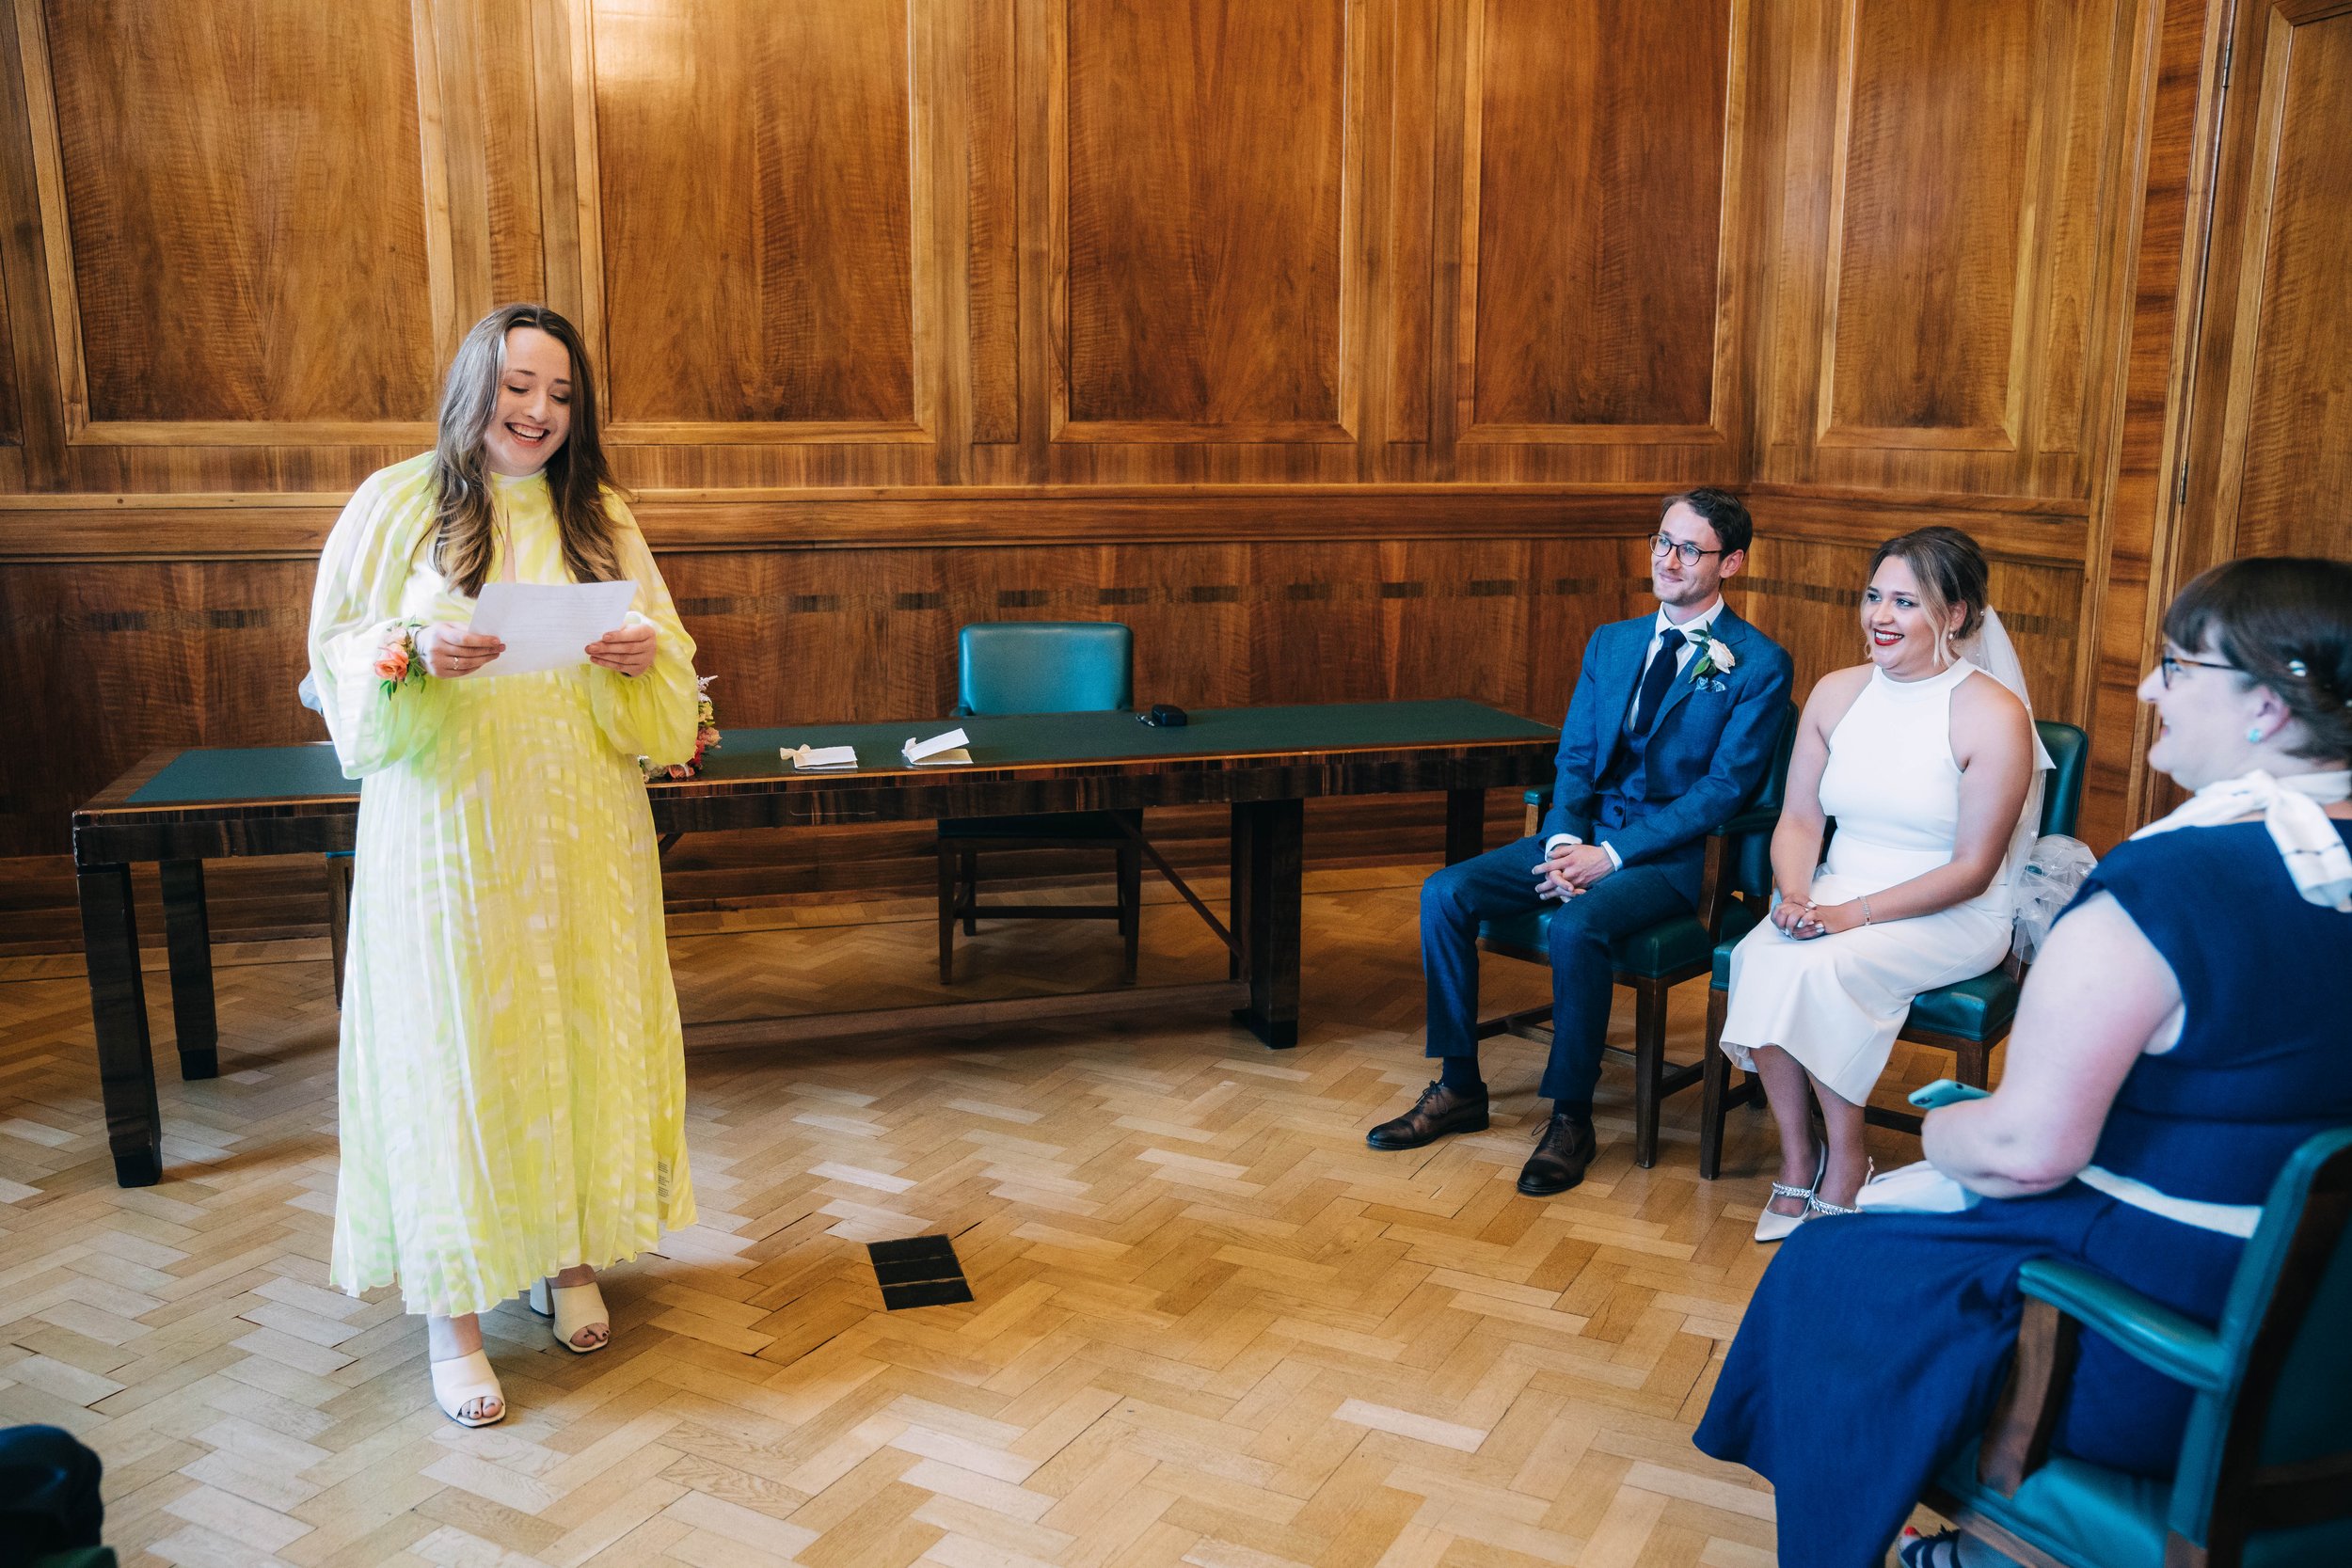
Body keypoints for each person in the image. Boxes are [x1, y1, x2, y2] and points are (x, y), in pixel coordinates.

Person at [1692, 556, 2352, 1568]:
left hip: (2180, 1349)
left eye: (2173, 665)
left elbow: (2025, 1150)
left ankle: (1921, 1544)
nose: (2145, 688)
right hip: (2326, 1342)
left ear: (2264, 703)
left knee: (1825, 1271)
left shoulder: (2161, 890)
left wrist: (1951, 1119)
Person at [308, 304, 703, 1427]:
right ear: (474, 384)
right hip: (449, 828)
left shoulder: (603, 516)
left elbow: (668, 681)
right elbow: (337, 659)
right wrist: (413, 651)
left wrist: (639, 653)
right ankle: (456, 1309)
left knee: (577, 1026)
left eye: (562, 395)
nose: (538, 412)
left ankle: (565, 1254)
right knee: (463, 1043)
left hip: (584, 824)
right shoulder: (396, 505)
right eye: (519, 385)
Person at [1365, 489, 1793, 1194]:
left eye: (1690, 548)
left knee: (1578, 922)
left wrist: (1611, 858)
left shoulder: (1756, 663)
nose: (1669, 559)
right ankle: (1458, 1082)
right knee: (1444, 892)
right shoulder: (1612, 640)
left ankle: (1570, 1116)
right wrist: (1565, 838)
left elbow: (1722, 790)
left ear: (1733, 562)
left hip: (1670, 858)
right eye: (1662, 541)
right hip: (1584, 832)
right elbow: (1574, 755)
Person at [1717, 527, 2041, 1238]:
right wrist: (1797, 895)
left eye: (1905, 601)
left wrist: (1848, 915)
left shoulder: (1993, 713)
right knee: (1763, 952)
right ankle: (1799, 1158)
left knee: (1828, 966)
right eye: (1873, 597)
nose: (1880, 617)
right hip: (1838, 882)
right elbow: (1800, 818)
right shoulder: (1837, 693)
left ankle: (1849, 1158)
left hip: (1952, 908)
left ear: (1953, 616)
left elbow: (1972, 868)